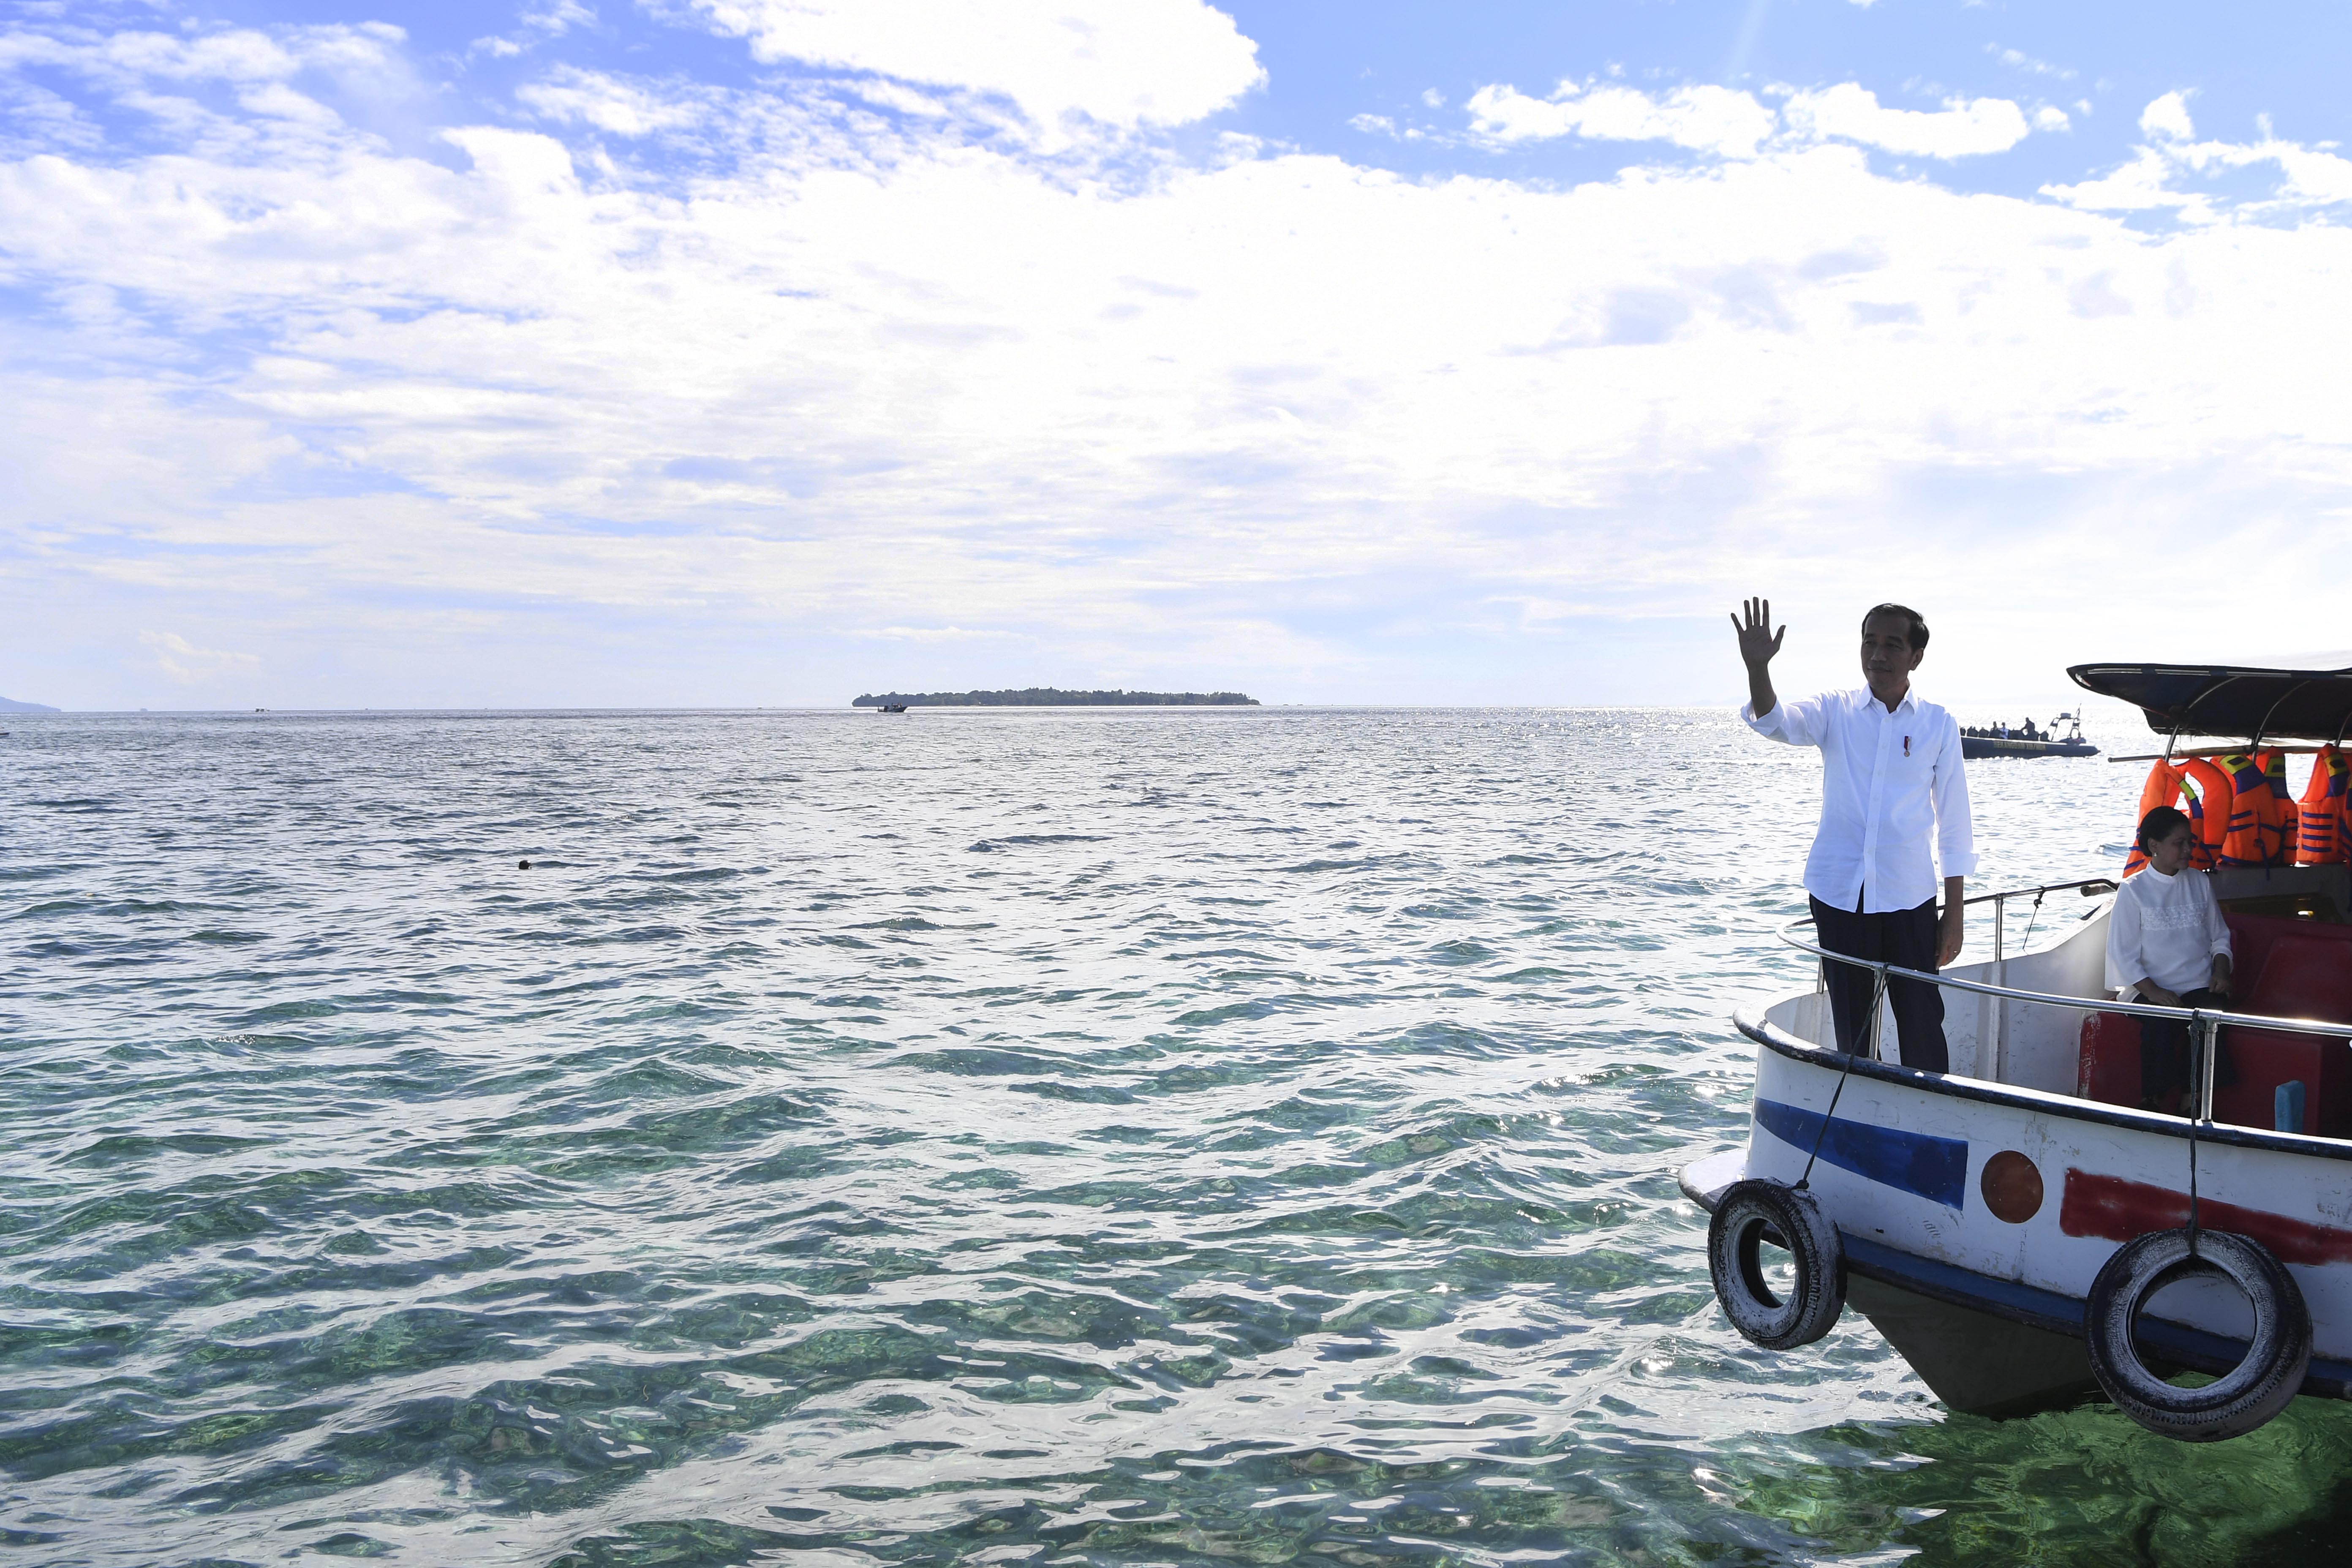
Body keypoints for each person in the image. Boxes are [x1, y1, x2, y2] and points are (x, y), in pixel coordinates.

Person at [1734, 598, 1975, 1072]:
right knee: (1854, 1032)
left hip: (1910, 898)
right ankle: (1867, 1124)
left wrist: (1954, 915)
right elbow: (1775, 721)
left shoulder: (1938, 724)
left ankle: (1931, 1122)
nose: (1877, 655)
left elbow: (1955, 825)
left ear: (1916, 656)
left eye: (1891, 644)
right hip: (1840, 895)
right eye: (1869, 642)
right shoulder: (1835, 710)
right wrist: (1757, 668)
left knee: (1923, 1024)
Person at [2106, 805, 2235, 1114]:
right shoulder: (2133, 890)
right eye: (2180, 843)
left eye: (2190, 842)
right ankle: (2154, 1098)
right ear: (2154, 846)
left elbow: (2220, 936)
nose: (2189, 850)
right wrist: (2154, 992)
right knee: (2161, 1021)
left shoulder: (2200, 883)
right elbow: (2122, 954)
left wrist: (2221, 970)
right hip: (2147, 988)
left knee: (2211, 1018)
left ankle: (2194, 1098)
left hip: (2197, 983)